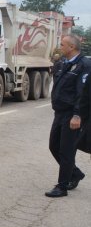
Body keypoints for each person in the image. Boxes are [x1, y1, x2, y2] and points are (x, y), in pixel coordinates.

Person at [46, 35, 91, 197]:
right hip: (59, 112)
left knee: (66, 151)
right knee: (54, 146)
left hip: (72, 115)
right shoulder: (63, 64)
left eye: (62, 44)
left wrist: (77, 115)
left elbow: (83, 93)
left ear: (71, 47)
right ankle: (75, 173)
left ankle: (62, 186)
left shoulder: (84, 65)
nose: (60, 47)